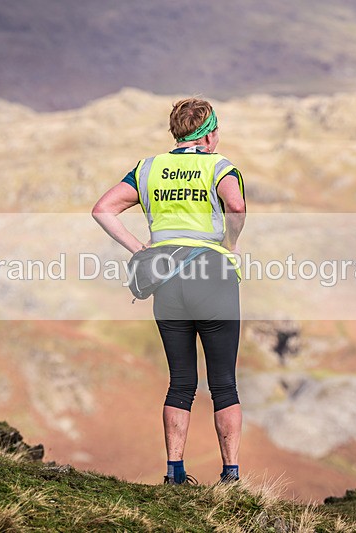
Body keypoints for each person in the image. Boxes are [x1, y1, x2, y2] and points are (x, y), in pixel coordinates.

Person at [92, 98, 246, 485]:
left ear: (176, 133)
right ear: (209, 133)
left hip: (166, 280)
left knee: (181, 382)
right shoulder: (219, 166)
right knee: (224, 383)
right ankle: (230, 476)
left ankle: (174, 472)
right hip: (212, 276)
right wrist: (229, 242)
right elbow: (237, 205)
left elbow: (103, 209)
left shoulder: (148, 169)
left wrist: (139, 250)